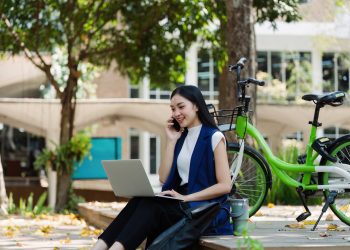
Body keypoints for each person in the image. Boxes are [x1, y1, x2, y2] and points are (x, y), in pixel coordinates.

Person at [92, 85, 232, 250]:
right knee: (140, 200)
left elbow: (225, 185)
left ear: (196, 105)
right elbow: (164, 178)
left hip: (203, 208)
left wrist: (187, 198)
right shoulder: (181, 137)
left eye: (181, 107)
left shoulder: (214, 137)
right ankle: (98, 247)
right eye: (172, 109)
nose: (176, 113)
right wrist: (171, 140)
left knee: (152, 206)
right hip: (180, 202)